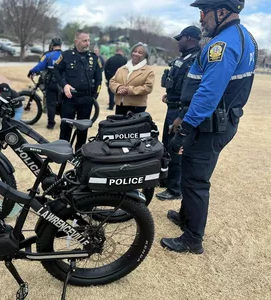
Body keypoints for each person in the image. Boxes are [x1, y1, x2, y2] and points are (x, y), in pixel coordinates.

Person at [160, 0, 257, 254]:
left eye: (204, 12)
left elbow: (209, 92)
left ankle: (193, 238)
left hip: (209, 124)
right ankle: (185, 216)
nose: (201, 19)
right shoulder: (245, 37)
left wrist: (186, 127)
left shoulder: (222, 45)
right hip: (217, 121)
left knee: (195, 179)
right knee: (192, 171)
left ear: (222, 12)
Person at [156, 26, 202, 201]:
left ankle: (175, 189)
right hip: (173, 107)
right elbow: (180, 84)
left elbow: (192, 90)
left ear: (189, 38)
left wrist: (181, 115)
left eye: (180, 39)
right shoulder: (185, 58)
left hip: (180, 112)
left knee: (176, 149)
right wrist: (171, 94)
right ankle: (167, 180)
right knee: (167, 145)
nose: (178, 42)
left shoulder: (195, 60)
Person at [53, 30, 102, 150]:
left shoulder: (94, 57)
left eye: (89, 40)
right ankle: (62, 151)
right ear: (76, 41)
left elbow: (99, 78)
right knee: (66, 126)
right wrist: (64, 85)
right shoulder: (66, 55)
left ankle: (79, 153)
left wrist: (93, 97)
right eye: (85, 40)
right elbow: (56, 71)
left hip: (86, 98)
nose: (88, 43)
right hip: (70, 97)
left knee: (83, 129)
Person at [109, 42, 155, 115]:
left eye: (140, 52)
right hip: (120, 105)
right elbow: (112, 81)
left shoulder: (148, 71)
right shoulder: (122, 68)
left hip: (137, 107)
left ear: (145, 56)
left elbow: (148, 88)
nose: (136, 54)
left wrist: (129, 90)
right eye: (134, 51)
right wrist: (119, 88)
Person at [27, 38, 62, 129]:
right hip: (62, 83)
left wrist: (32, 71)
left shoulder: (48, 55)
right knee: (64, 103)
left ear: (52, 45)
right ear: (60, 45)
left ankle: (51, 124)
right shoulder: (65, 55)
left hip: (51, 83)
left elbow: (40, 66)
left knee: (50, 103)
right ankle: (65, 123)